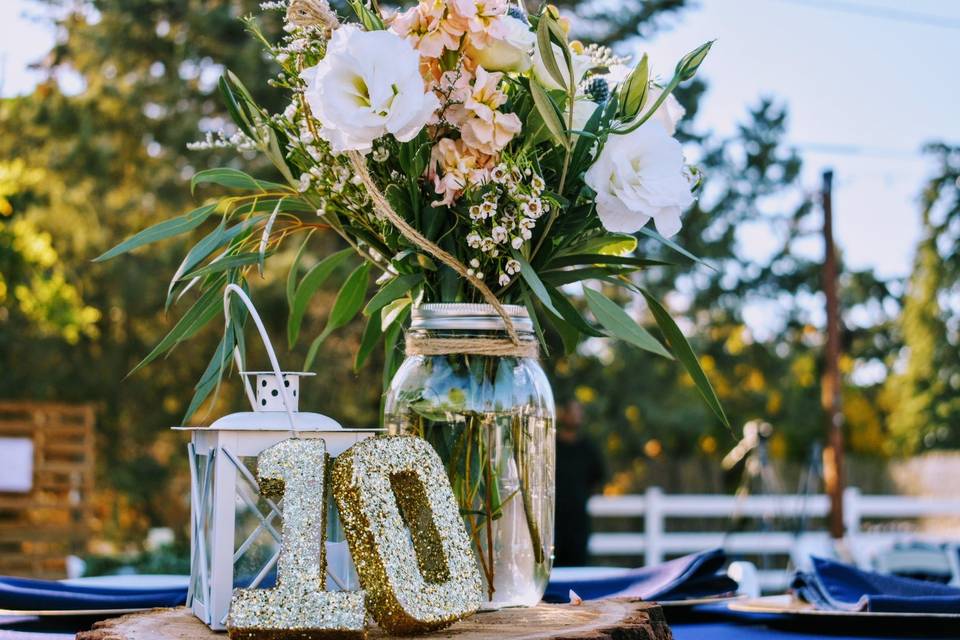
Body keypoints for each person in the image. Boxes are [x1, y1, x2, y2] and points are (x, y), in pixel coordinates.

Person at [553, 400, 605, 567]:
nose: (576, 417)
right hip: (553, 520)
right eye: (572, 412)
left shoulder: (588, 449)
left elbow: (598, 478)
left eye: (579, 412)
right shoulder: (552, 447)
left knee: (579, 565)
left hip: (578, 521)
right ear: (564, 415)